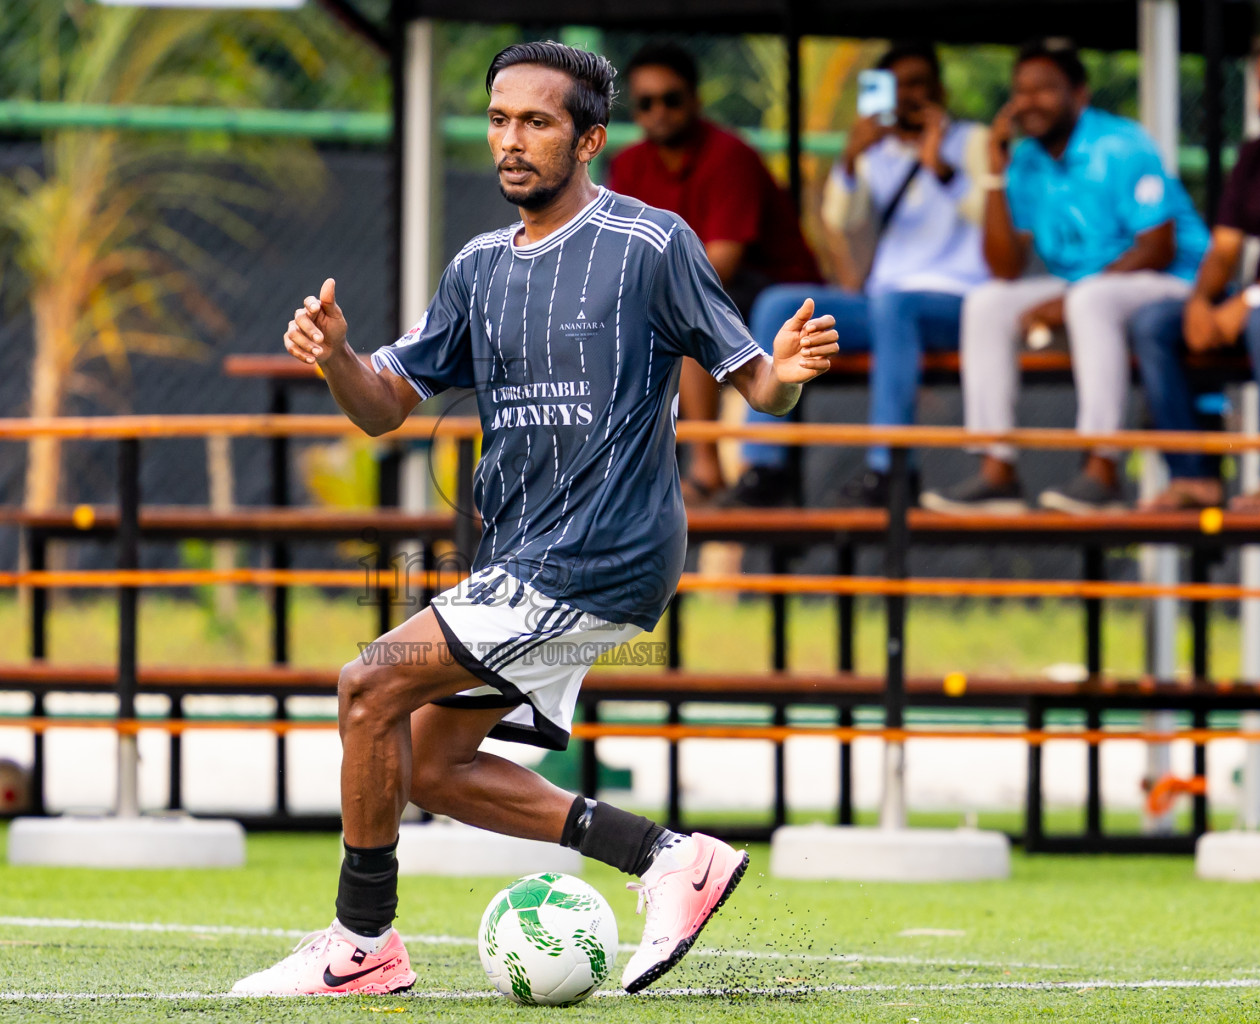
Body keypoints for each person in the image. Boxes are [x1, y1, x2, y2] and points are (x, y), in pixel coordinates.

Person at [232, 41, 838, 998]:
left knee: (368, 686)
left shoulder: (651, 244)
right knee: (433, 764)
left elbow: (757, 382)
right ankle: (669, 859)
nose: (510, 141)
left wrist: (787, 378)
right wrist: (338, 358)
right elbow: (385, 408)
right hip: (522, 558)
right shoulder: (478, 266)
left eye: (537, 122)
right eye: (499, 119)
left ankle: (363, 943)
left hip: (600, 551)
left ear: (589, 140)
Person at [920, 37, 1210, 515]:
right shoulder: (1027, 160)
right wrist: (994, 174)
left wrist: (1071, 297)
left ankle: (1103, 471)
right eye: (1021, 91)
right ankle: (997, 470)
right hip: (1089, 288)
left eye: (1044, 89)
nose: (1029, 102)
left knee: (1089, 300)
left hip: (1173, 284)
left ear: (1080, 94)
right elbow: (1004, 268)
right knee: (986, 303)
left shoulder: (1122, 143)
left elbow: (1157, 248)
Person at [743, 40, 991, 507]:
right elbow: (840, 220)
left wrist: (941, 169)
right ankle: (763, 465)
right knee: (778, 304)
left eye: (918, 83)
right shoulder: (878, 150)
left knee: (895, 306)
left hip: (958, 301)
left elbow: (993, 218)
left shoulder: (973, 140)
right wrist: (851, 158)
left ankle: (890, 470)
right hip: (884, 304)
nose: (909, 95)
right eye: (897, 87)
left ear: (939, 89)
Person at [609, 41, 822, 506]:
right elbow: (617, 261)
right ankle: (623, 477)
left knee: (682, 315)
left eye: (671, 99)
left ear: (695, 99)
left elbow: (718, 264)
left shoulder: (730, 155)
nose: (658, 111)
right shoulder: (628, 164)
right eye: (646, 102)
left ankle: (706, 468)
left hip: (775, 295)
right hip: (691, 292)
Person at [1127, 35, 1260, 511]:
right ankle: (1192, 475)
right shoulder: (1256, 156)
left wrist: (1248, 300)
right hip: (1256, 296)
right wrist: (1200, 301)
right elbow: (1225, 247)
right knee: (1153, 323)